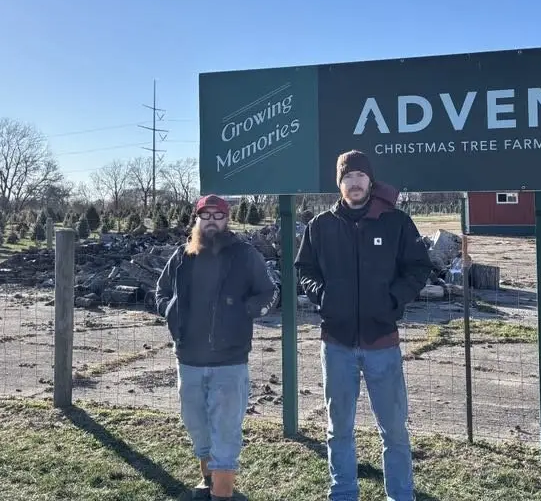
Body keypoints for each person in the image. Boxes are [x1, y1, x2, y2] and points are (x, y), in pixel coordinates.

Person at [295, 150, 434, 501]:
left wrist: (391, 300)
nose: (353, 183)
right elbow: (305, 270)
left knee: (394, 432)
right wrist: (324, 296)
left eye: (359, 176)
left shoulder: (396, 222)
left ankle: (400, 496)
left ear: (370, 181)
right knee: (338, 429)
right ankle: (343, 493)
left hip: (382, 343)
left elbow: (418, 269)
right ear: (338, 183)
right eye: (347, 177)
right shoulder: (321, 226)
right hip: (336, 343)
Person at [156, 193, 278, 500]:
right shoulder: (183, 255)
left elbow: (268, 292)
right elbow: (161, 290)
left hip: (229, 360)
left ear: (227, 219)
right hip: (189, 357)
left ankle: (222, 494)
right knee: (196, 423)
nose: (211, 221)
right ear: (196, 220)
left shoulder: (244, 254)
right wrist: (169, 309)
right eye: (205, 216)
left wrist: (245, 311)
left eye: (218, 216)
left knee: (225, 428)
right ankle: (208, 480)